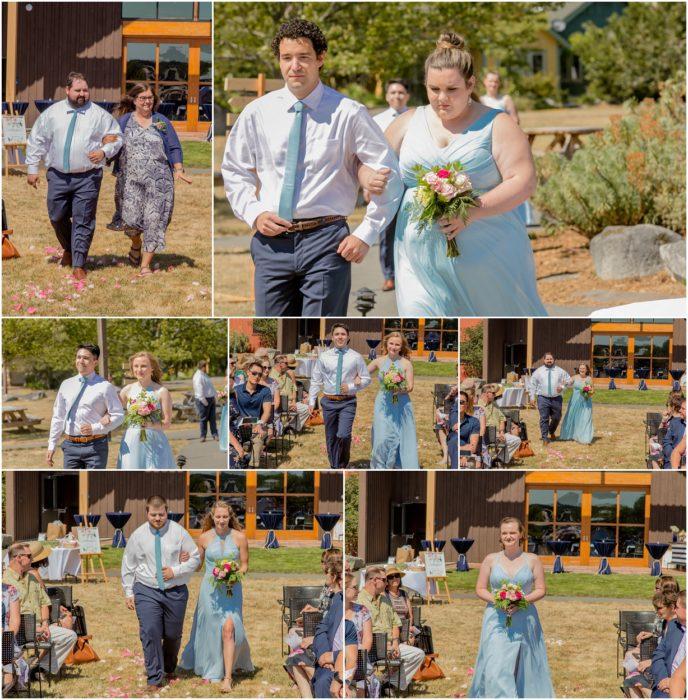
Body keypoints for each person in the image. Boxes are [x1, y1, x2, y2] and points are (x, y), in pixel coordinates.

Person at [222, 18, 403, 316]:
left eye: (303, 57)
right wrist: (254, 213)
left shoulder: (349, 113)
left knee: (320, 335)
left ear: (320, 59)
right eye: (287, 58)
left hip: (327, 243)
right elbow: (235, 169)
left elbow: (390, 176)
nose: (295, 66)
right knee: (273, 331)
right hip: (270, 244)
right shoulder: (257, 113)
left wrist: (366, 233)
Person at [382, 33, 546, 316]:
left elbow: (523, 181)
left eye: (451, 89)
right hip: (417, 258)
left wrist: (471, 211)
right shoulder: (407, 123)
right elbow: (371, 163)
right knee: (419, 317)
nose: (441, 99)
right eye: (433, 89)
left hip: (487, 253)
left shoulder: (498, 124)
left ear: (471, 85)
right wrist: (368, 178)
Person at [25, 72, 121, 280]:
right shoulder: (52, 114)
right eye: (77, 90)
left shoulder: (100, 115)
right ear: (67, 90)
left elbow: (116, 137)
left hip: (88, 177)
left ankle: (79, 262)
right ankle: (69, 248)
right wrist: (32, 168)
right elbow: (37, 140)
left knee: (83, 219)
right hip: (58, 176)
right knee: (56, 216)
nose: (82, 94)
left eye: (85, 90)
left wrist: (104, 151)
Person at [121, 495, 201, 690]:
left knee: (172, 634)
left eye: (161, 514)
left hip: (175, 591)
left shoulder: (179, 533)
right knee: (150, 631)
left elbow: (195, 558)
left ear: (167, 512)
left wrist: (176, 570)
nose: (158, 518)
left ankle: (168, 666)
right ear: (147, 513)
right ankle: (155, 677)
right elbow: (128, 565)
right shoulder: (138, 536)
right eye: (154, 515)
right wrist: (128, 592)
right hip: (146, 589)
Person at [469, 517, 554, 697]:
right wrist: (498, 601)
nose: (509, 536)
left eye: (513, 532)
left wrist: (521, 602)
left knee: (524, 665)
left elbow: (541, 589)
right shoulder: (490, 559)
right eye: (505, 533)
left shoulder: (532, 559)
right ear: (500, 536)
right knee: (496, 664)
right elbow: (480, 588)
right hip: (496, 618)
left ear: (521, 534)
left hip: (525, 618)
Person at [111, 82, 191, 275]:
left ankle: (145, 265)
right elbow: (112, 145)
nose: (147, 102)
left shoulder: (161, 121)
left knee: (154, 220)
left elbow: (173, 146)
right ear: (134, 100)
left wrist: (178, 169)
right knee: (130, 220)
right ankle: (136, 244)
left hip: (160, 181)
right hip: (130, 181)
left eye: (150, 98)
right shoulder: (124, 121)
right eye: (143, 98)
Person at [180, 501, 253, 691]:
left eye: (225, 517)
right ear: (212, 517)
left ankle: (227, 677)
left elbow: (245, 564)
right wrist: (187, 559)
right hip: (210, 591)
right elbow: (198, 565)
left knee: (230, 627)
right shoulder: (204, 538)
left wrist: (235, 574)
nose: (221, 520)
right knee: (212, 629)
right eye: (218, 517)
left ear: (230, 517)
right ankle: (214, 667)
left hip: (232, 589)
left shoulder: (240, 537)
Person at [3, 542, 77, 676]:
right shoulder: (5, 581)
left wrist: (44, 624)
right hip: (18, 631)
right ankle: (25, 671)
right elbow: (9, 618)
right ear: (18, 558)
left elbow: (44, 602)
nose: (33, 559)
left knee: (69, 636)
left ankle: (37, 668)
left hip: (39, 627)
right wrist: (37, 629)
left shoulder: (32, 577)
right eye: (30, 556)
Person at [47, 343, 124, 469]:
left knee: (94, 487)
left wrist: (95, 428)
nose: (81, 361)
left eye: (86, 358)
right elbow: (58, 416)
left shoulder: (105, 386)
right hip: (70, 447)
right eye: (78, 357)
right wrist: (52, 445)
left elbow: (119, 415)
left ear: (95, 361)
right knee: (71, 486)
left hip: (95, 446)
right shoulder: (66, 384)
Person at [308, 324, 371, 468]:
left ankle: (342, 463)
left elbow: (367, 379)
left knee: (343, 434)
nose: (340, 337)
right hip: (328, 402)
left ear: (348, 337)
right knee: (330, 437)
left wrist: (351, 386)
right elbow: (316, 380)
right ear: (332, 337)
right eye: (337, 334)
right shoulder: (324, 357)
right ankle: (334, 465)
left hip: (347, 402)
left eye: (343, 334)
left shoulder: (356, 357)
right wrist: (312, 401)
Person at [357, 567, 425, 692]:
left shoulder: (385, 600)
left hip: (390, 644)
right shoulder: (360, 600)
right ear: (375, 580)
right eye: (385, 579)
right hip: (371, 647)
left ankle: (388, 683)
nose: (387, 582)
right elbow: (363, 632)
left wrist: (394, 642)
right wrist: (386, 646)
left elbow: (395, 623)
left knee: (418, 654)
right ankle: (382, 684)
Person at [373, 78, 411, 292]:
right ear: (387, 96)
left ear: (407, 96)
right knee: (386, 230)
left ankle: (409, 273)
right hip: (387, 182)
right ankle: (389, 275)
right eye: (393, 92)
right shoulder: (378, 121)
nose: (397, 96)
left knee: (410, 229)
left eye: (401, 92)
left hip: (411, 180)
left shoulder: (415, 118)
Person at [368, 331, 419, 469]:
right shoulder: (378, 361)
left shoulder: (406, 363)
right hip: (383, 403)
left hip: (401, 404)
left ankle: (398, 464)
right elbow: (363, 374)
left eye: (397, 344)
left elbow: (410, 386)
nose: (394, 347)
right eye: (391, 343)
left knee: (400, 436)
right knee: (382, 437)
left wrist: (398, 388)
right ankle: (379, 465)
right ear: (386, 344)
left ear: (401, 347)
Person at [117, 351, 175, 469]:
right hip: (131, 440)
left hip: (154, 442)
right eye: (136, 366)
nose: (139, 370)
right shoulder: (127, 390)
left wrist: (150, 424)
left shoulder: (161, 392)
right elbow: (112, 412)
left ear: (152, 368)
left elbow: (167, 423)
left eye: (143, 366)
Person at [233, 360, 273, 465]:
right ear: (248, 372)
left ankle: (252, 466)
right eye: (254, 373)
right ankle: (247, 455)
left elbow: (267, 412)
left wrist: (260, 424)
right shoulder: (236, 390)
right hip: (240, 423)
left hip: (257, 423)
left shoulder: (265, 391)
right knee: (258, 433)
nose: (257, 376)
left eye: (260, 374)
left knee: (259, 436)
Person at [651, 589, 686, 698]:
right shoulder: (673, 626)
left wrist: (672, 682)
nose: (674, 611)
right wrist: (663, 679)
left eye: (677, 607)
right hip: (664, 684)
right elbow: (658, 655)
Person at [311, 581, 343, 698]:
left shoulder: (362, 611)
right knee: (322, 681)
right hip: (329, 659)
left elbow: (362, 645)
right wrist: (324, 654)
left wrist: (334, 657)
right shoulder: (338, 602)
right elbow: (321, 629)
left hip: (349, 661)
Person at [531, 352, 570, 445]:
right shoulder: (538, 371)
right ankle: (545, 438)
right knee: (544, 418)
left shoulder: (560, 371)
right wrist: (532, 397)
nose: (549, 360)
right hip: (542, 398)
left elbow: (569, 380)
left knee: (557, 417)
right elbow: (532, 385)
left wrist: (562, 387)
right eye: (547, 359)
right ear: (544, 360)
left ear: (554, 360)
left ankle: (551, 431)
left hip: (556, 398)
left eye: (551, 359)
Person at [479, 384, 522, 464]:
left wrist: (501, 431)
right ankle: (491, 459)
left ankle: (499, 459)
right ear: (486, 393)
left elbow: (502, 419)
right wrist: (496, 434)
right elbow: (480, 425)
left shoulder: (494, 404)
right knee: (497, 441)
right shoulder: (479, 406)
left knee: (516, 440)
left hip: (498, 433)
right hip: (486, 434)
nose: (495, 395)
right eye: (493, 393)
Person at [271, 354, 311, 433]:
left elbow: (294, 389)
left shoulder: (287, 374)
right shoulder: (272, 376)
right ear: (280, 364)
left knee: (308, 408)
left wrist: (293, 402)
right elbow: (274, 396)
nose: (287, 365)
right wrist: (289, 405)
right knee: (306, 407)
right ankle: (287, 428)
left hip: (290, 402)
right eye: (286, 363)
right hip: (279, 404)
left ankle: (290, 427)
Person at [2, 581, 29, 689]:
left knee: (5, 647)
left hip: (6, 639)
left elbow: (14, 623)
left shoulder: (10, 591)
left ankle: (7, 683)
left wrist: (5, 640)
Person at [559, 363, 595, 445]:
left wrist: (589, 393)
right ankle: (571, 435)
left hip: (586, 402)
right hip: (575, 401)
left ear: (587, 370)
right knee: (573, 417)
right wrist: (564, 384)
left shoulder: (589, 379)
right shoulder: (574, 377)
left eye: (584, 368)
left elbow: (593, 390)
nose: (582, 370)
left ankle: (585, 438)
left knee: (586, 418)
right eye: (580, 368)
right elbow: (568, 383)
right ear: (578, 369)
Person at [193, 360, 219, 443]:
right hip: (203, 400)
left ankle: (215, 434)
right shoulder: (198, 376)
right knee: (203, 418)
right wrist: (205, 402)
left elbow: (210, 387)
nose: (208, 368)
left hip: (210, 399)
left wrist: (215, 396)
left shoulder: (205, 375)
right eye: (207, 366)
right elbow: (199, 390)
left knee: (212, 418)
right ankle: (203, 435)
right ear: (203, 367)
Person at [459, 391, 480, 467]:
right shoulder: (449, 420)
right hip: (453, 454)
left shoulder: (474, 422)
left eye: (461, 402)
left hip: (467, 453)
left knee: (475, 464)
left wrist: (465, 456)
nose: (459, 404)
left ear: (466, 404)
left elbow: (473, 447)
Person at [663, 398, 686, 467]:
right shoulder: (675, 423)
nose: (680, 410)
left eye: (683, 409)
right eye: (680, 408)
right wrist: (673, 457)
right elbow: (666, 442)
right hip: (673, 462)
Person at [448, 393, 459, 469]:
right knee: (455, 440)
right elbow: (454, 426)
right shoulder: (455, 408)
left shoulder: (479, 409)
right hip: (456, 434)